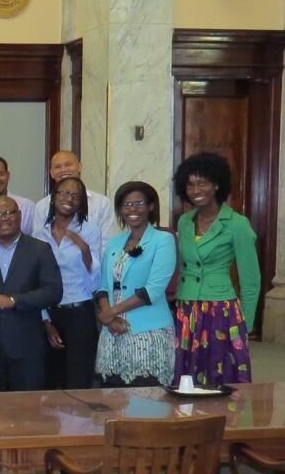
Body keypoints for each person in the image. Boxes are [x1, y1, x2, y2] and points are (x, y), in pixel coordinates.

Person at [172, 152, 260, 387]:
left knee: (221, 376)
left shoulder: (237, 224)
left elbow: (250, 281)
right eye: (189, 185)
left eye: (202, 183)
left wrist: (246, 326)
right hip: (187, 307)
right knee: (187, 376)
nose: (195, 190)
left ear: (217, 184)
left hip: (221, 310)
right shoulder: (184, 221)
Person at [0, 196, 62, 394]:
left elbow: (53, 291)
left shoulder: (40, 249)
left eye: (9, 213)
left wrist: (14, 300)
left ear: (19, 215)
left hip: (27, 347)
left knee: (26, 414)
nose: (4, 219)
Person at [95, 182, 177, 387]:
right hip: (112, 332)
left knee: (146, 399)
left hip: (148, 333)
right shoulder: (115, 242)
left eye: (139, 202)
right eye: (126, 204)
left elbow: (153, 290)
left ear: (151, 206)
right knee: (111, 398)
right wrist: (108, 317)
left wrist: (111, 312)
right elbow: (103, 285)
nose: (132, 209)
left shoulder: (163, 240)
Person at [36, 177, 102, 389]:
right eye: (64, 192)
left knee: (78, 382)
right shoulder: (39, 235)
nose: (69, 198)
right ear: (53, 197)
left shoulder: (90, 231)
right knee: (51, 383)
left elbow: (95, 282)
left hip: (79, 314)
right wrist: (46, 322)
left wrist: (84, 249)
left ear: (82, 202)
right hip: (49, 314)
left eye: (75, 195)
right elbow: (35, 283)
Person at [32, 150, 116, 243]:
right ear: (51, 173)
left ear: (79, 167)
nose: (63, 170)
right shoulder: (42, 205)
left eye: (68, 165)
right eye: (58, 167)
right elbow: (38, 242)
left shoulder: (101, 203)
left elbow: (107, 242)